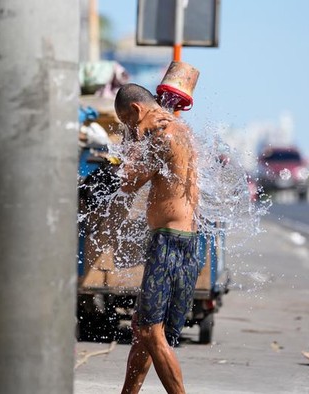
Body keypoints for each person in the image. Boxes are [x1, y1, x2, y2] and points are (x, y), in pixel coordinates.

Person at [113, 83, 199, 394]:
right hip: (186, 240)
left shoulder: (162, 136)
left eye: (127, 121)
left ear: (136, 110)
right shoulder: (182, 130)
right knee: (146, 331)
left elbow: (128, 182)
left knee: (149, 330)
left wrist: (132, 140)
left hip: (169, 241)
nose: (128, 128)